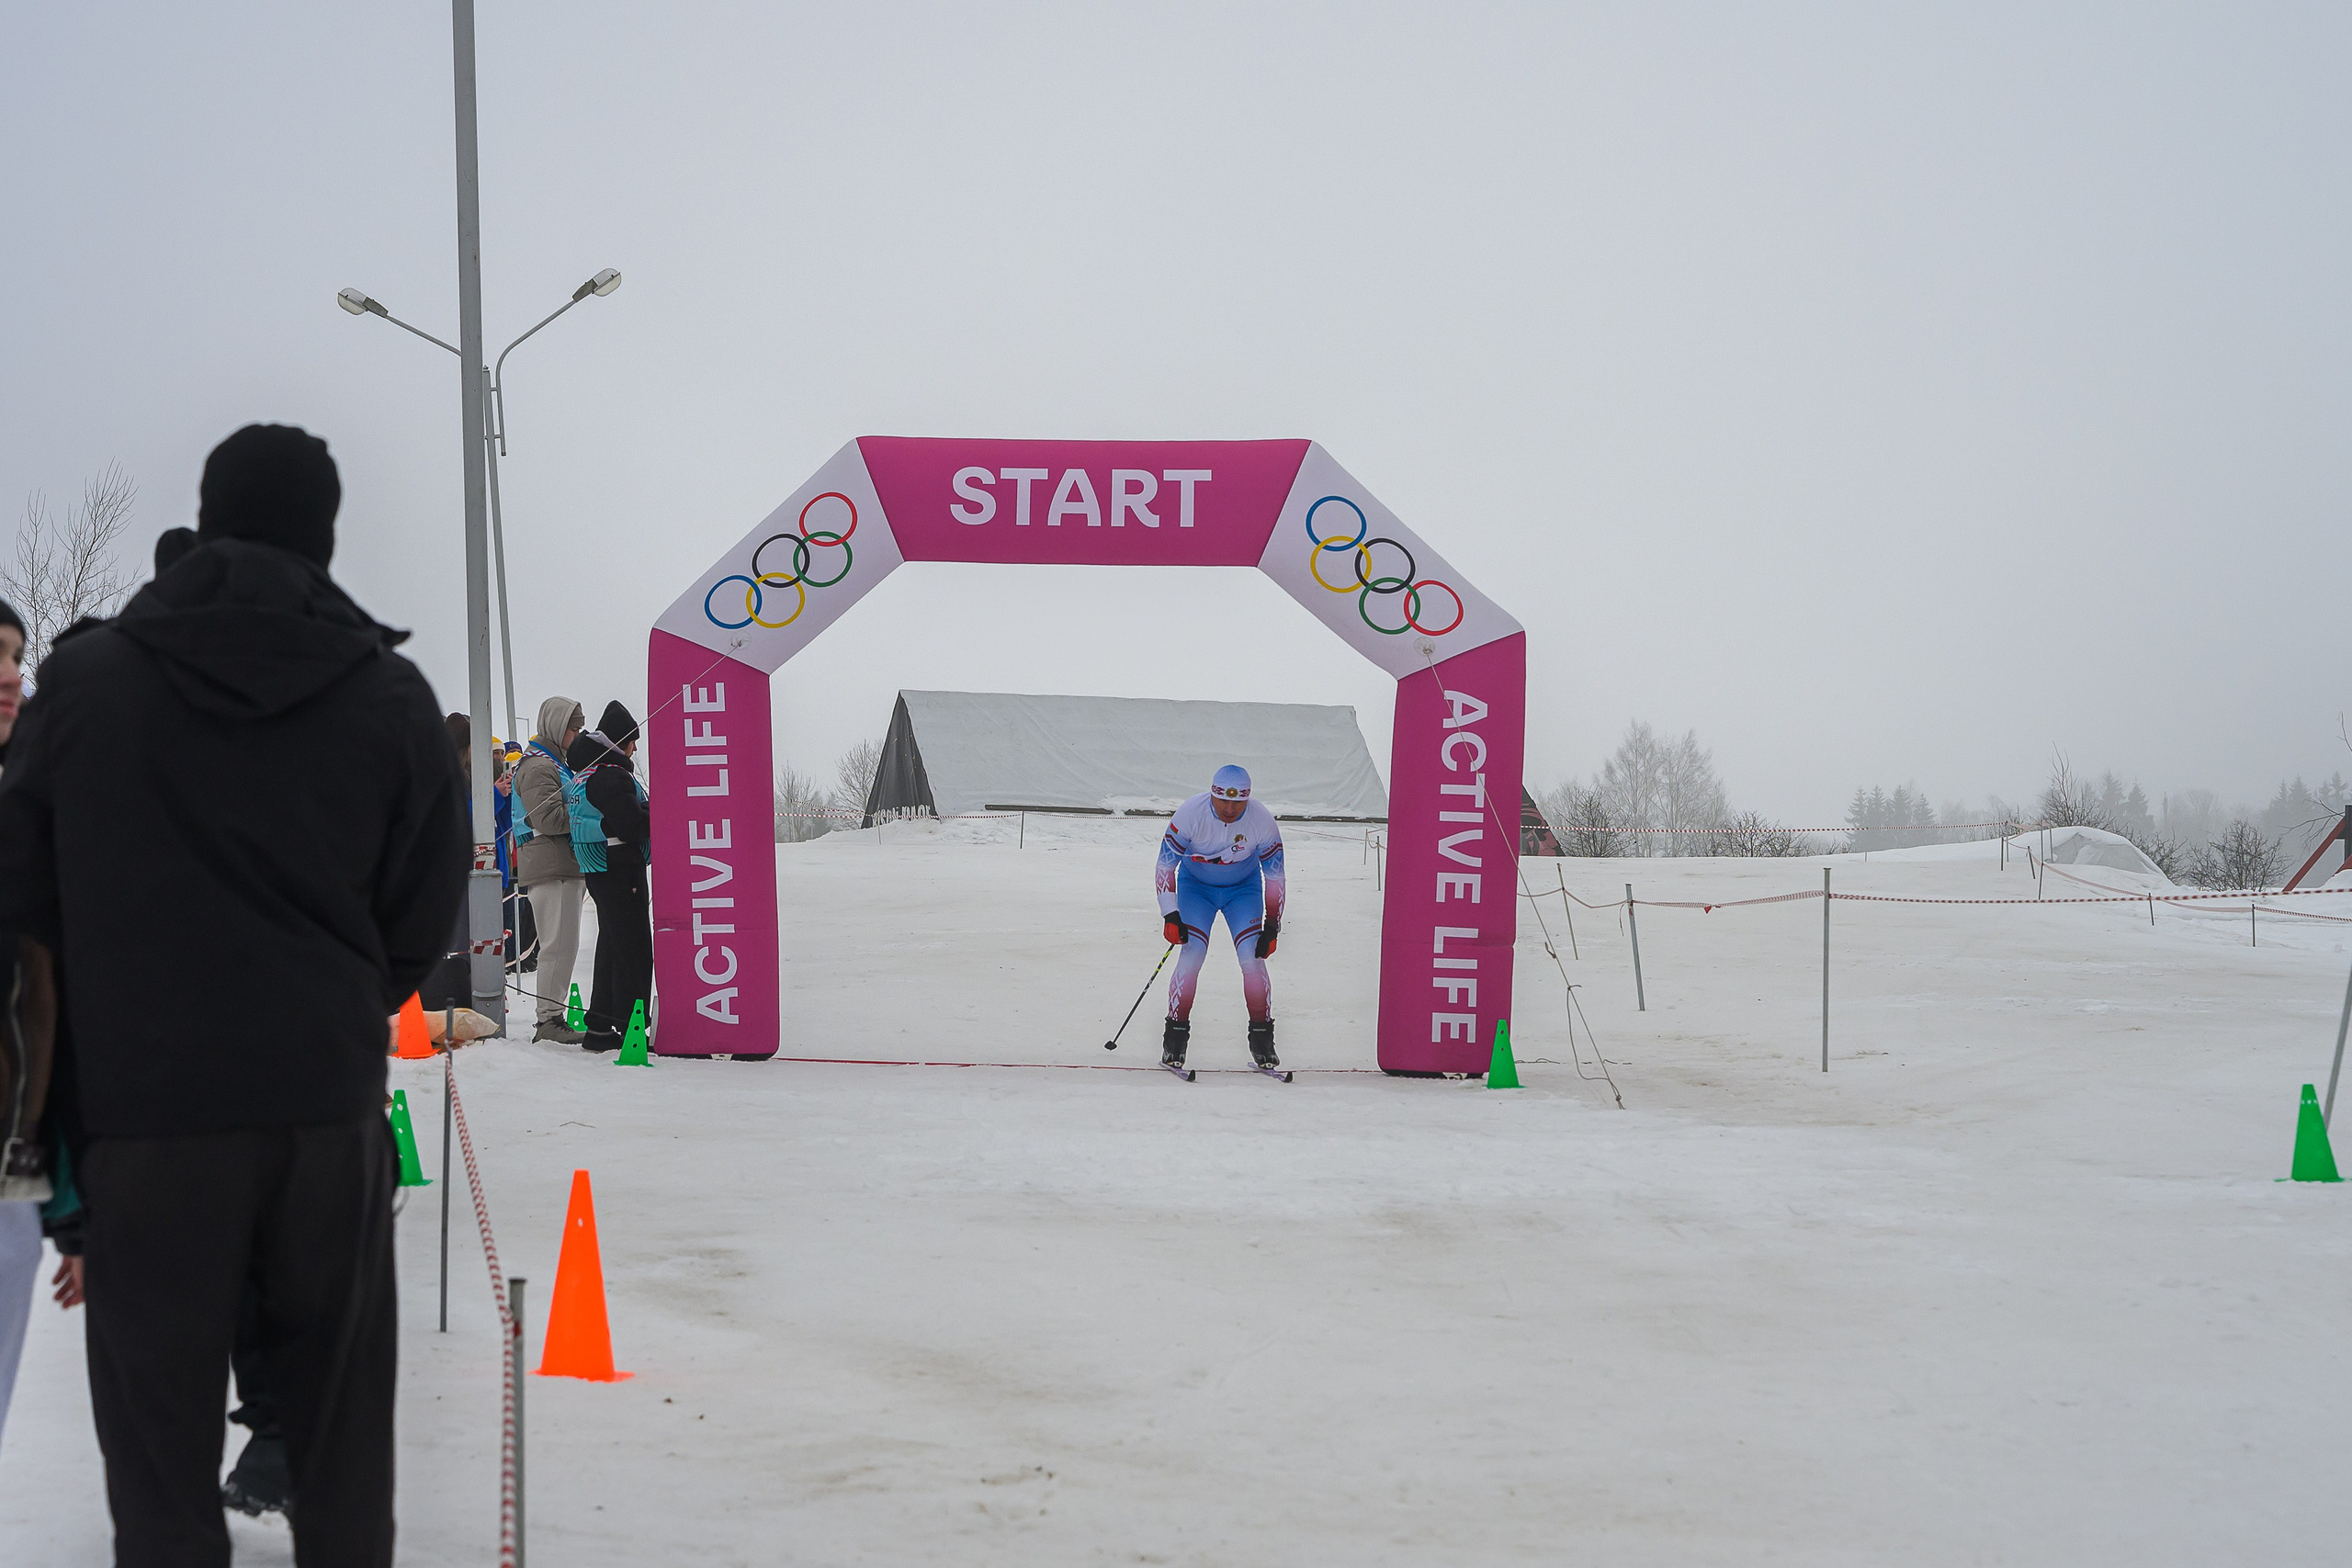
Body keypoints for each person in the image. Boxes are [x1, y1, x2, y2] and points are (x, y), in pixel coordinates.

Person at [0, 423, 468, 1565]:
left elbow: (24, 907)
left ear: (205, 520)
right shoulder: (390, 694)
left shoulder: (86, 685)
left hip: (145, 1121)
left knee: (158, 1463)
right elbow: (422, 912)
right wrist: (336, 1005)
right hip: (324, 1115)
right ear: (326, 534)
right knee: (340, 1448)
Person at [1156, 764, 1287, 1069]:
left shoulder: (1262, 820)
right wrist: (1170, 913)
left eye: (1238, 802)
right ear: (1212, 794)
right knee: (1192, 955)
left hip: (1243, 891)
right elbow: (1165, 865)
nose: (1230, 809)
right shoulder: (1190, 813)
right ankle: (1175, 1038)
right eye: (1223, 801)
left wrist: (1272, 925)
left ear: (1248, 799)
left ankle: (1262, 1039)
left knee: (1252, 959)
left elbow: (1276, 876)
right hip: (1196, 889)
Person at [569, 701, 650, 1050]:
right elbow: (630, 825)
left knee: (612, 946)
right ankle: (631, 1026)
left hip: (601, 867)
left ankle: (600, 1026)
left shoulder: (588, 772)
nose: (635, 749)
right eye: (633, 742)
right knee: (633, 949)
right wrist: (654, 811)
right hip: (621, 868)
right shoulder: (612, 776)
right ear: (621, 742)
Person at [513, 697, 588, 1043]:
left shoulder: (556, 764)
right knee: (557, 945)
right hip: (551, 866)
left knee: (564, 945)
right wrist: (591, 815)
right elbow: (549, 818)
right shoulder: (538, 767)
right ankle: (548, 1019)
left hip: (562, 865)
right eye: (574, 729)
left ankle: (553, 1015)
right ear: (557, 727)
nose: (577, 736)